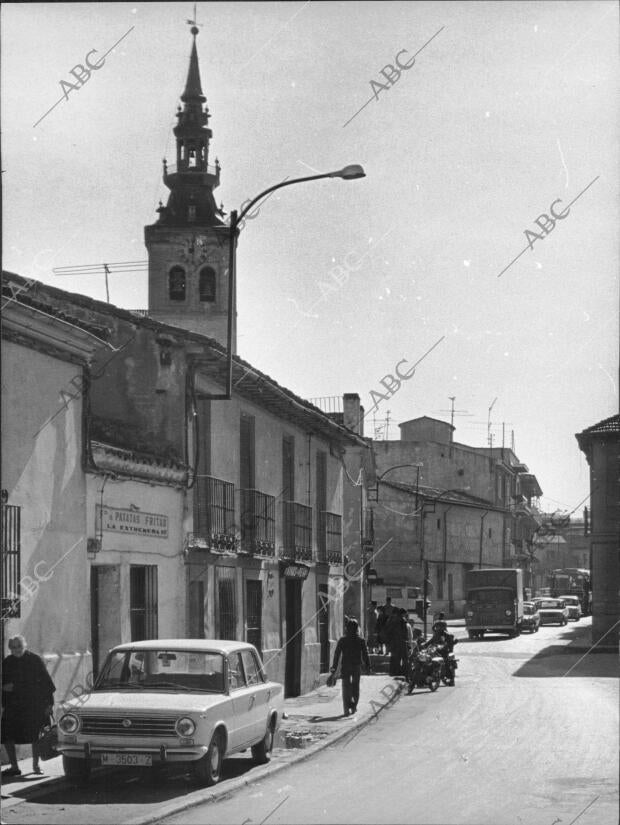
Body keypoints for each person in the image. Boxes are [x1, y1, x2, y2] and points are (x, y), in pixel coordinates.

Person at [1, 635, 55, 777]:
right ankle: (14, 767)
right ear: (9, 649)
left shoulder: (35, 660)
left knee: (35, 736)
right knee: (7, 734)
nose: (16, 650)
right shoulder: (7, 662)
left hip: (33, 704)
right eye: (13, 647)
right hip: (13, 705)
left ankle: (36, 765)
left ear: (24, 646)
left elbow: (46, 683)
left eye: (19, 646)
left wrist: (49, 704)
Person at [330, 619, 371, 717]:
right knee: (355, 687)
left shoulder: (343, 640)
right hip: (356, 666)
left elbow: (337, 654)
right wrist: (368, 666)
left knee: (346, 687)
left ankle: (346, 709)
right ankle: (353, 706)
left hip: (346, 666)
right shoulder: (361, 640)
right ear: (357, 629)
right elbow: (365, 655)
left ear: (346, 628)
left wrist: (334, 668)